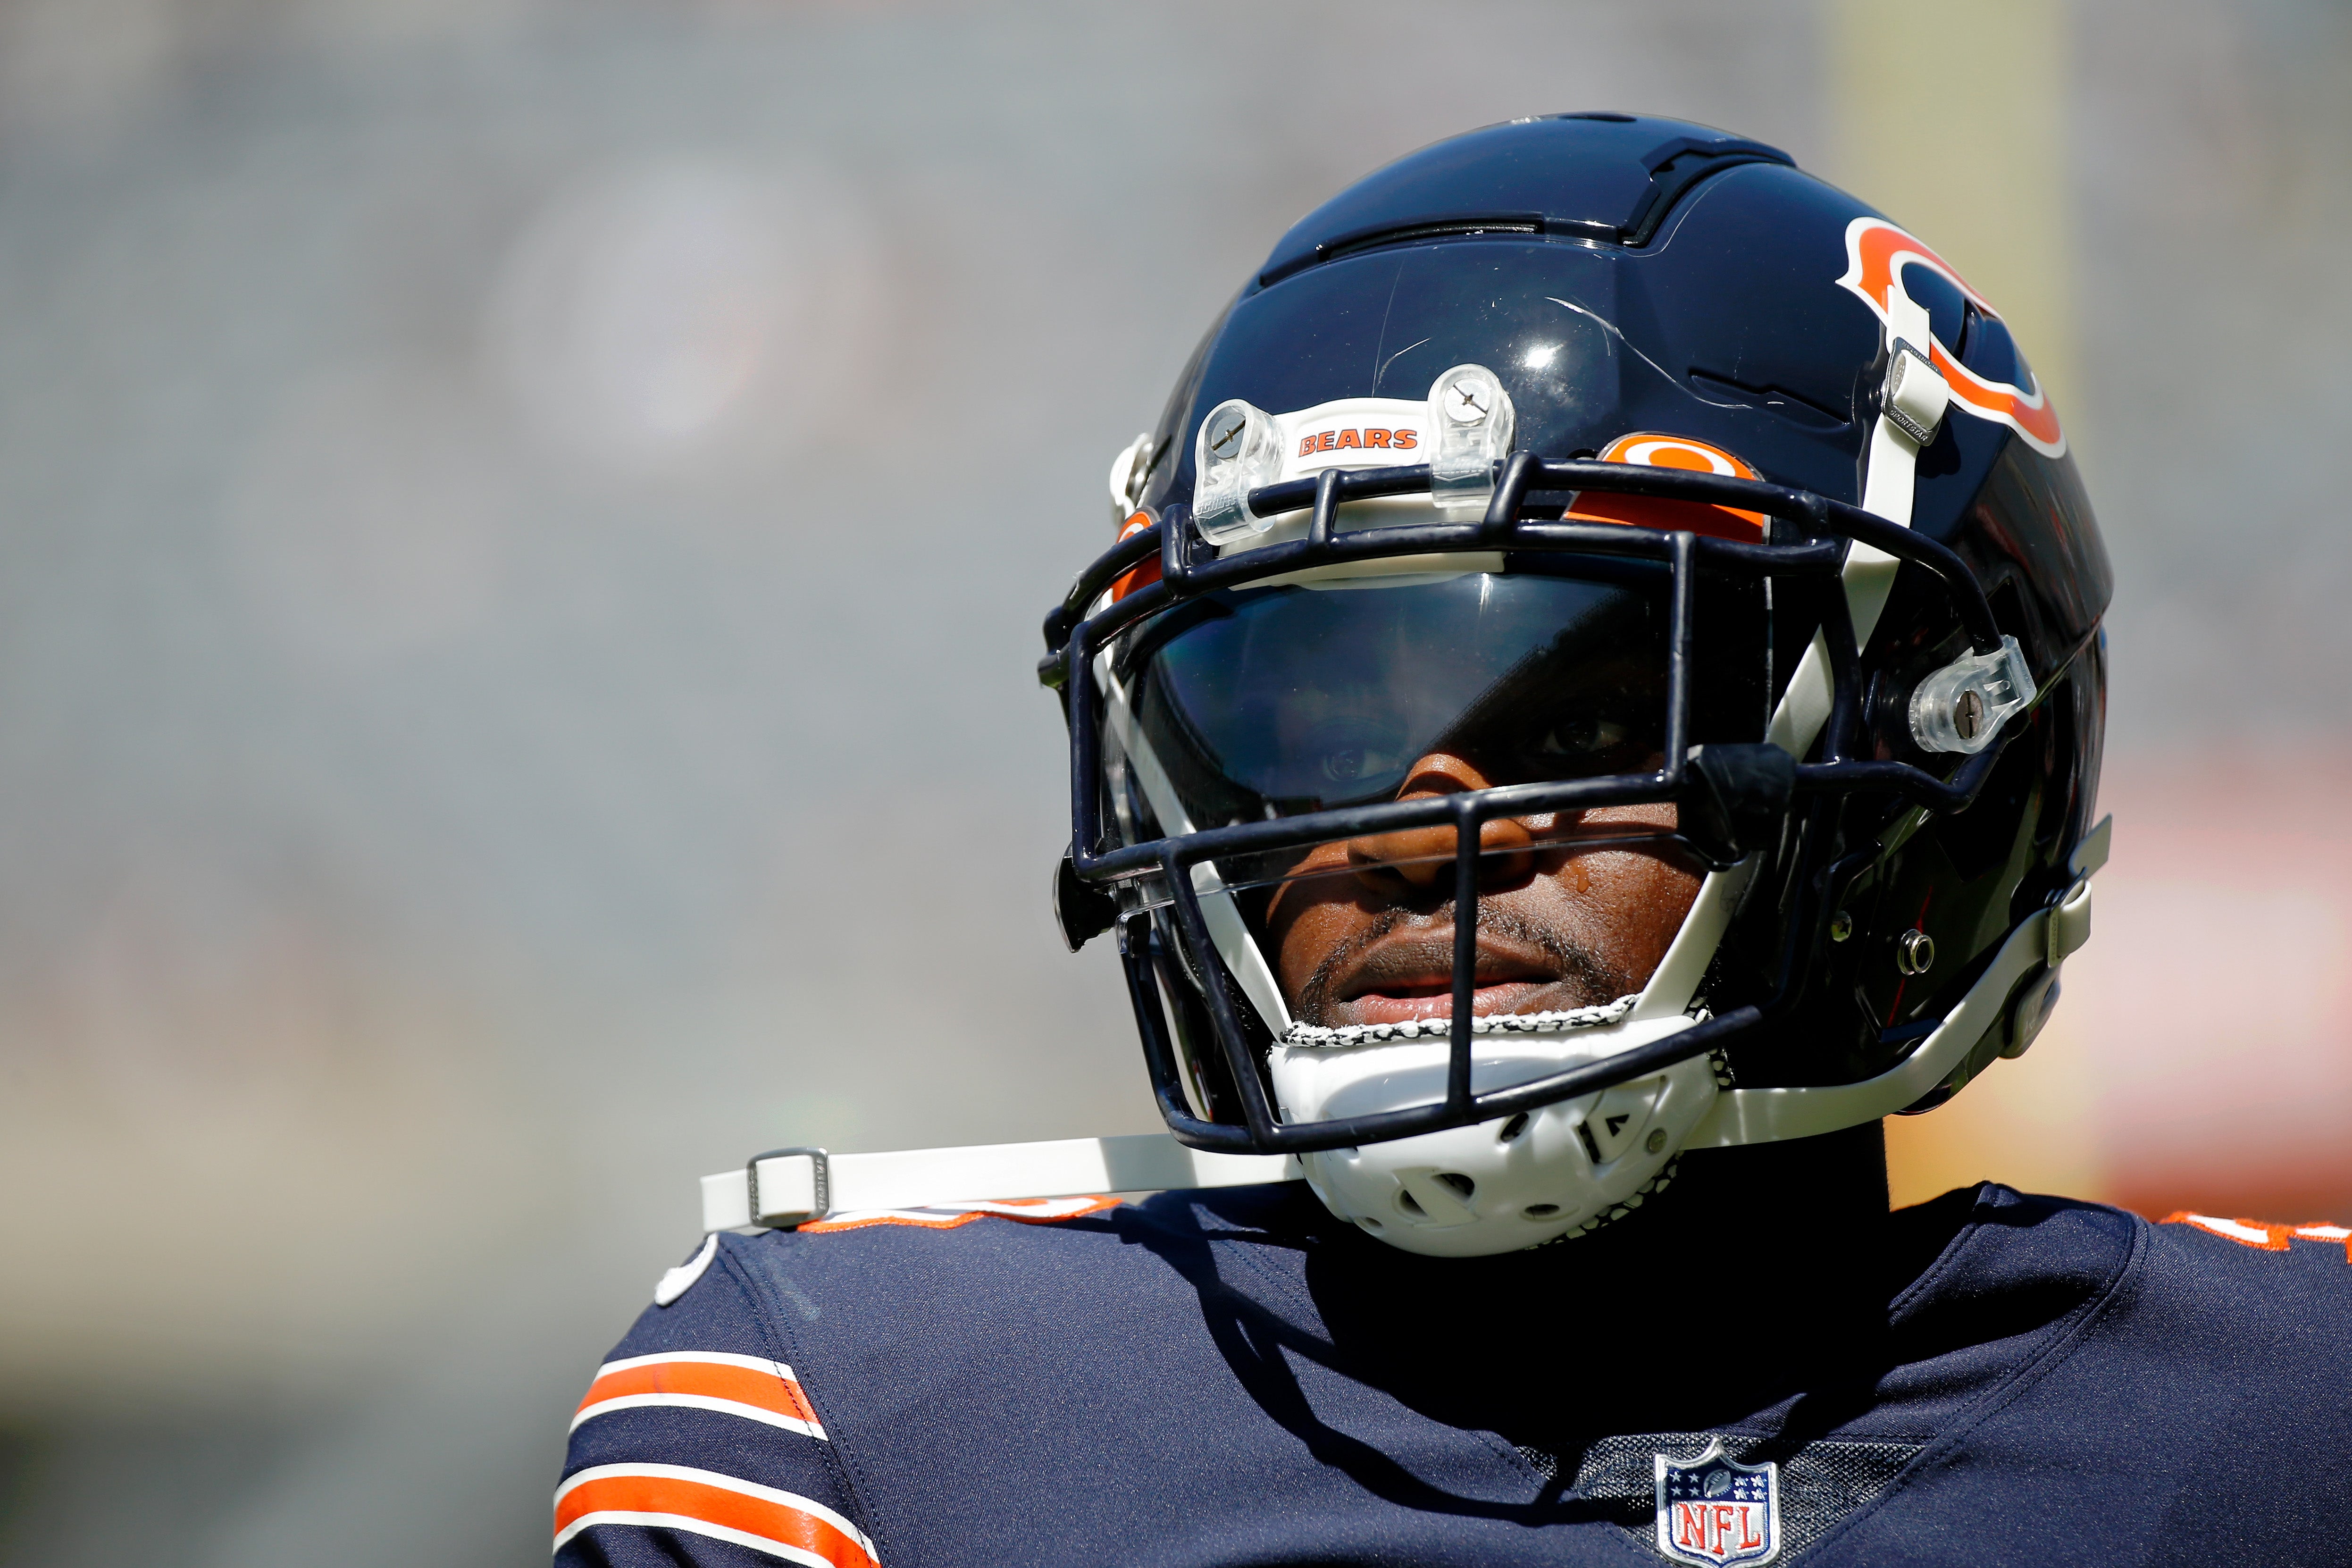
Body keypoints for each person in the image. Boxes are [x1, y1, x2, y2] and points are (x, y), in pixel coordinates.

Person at [552, 114, 2352, 1568]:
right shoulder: (881, 1421)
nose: (1421, 824)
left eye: (1577, 714)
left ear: (1925, 758)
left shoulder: (2290, 1425)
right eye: (1307, 723)